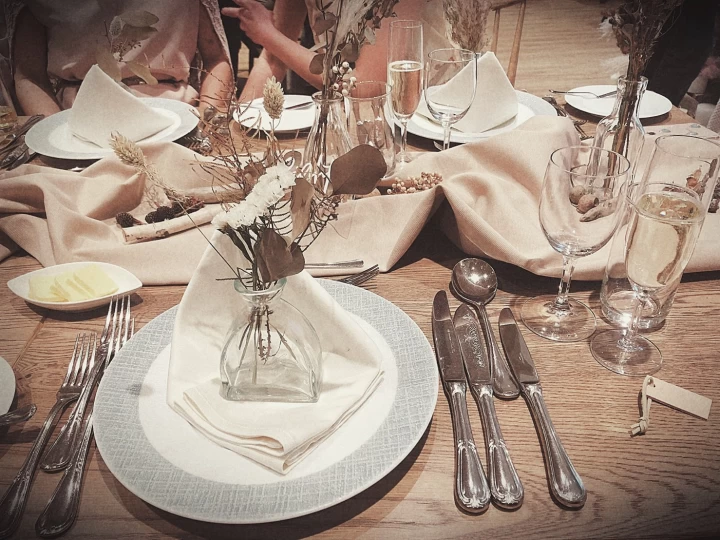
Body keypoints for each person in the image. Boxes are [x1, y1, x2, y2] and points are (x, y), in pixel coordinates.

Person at [13, 0, 234, 116]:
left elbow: (215, 59)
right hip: (77, 116)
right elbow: (29, 76)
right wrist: (55, 134)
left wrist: (208, 120)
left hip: (176, 113)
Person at [221, 0, 450, 102]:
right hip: (344, 112)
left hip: (427, 118)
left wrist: (268, 35)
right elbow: (273, 58)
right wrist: (240, 124)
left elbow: (365, 86)